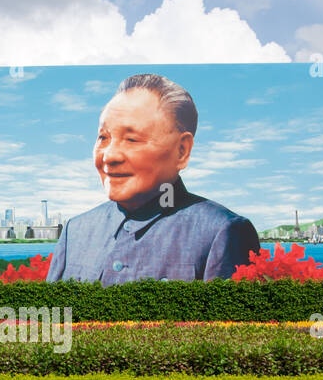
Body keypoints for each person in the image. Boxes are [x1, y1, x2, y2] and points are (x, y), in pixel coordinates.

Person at [45, 73, 260, 285]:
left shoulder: (221, 232)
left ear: (181, 151)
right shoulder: (76, 231)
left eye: (131, 139)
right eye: (103, 137)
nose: (109, 156)